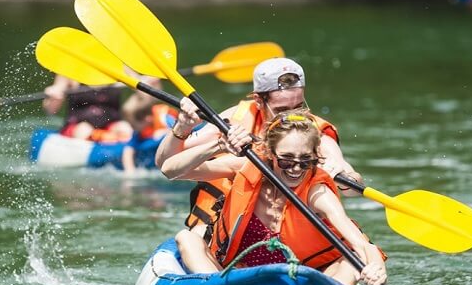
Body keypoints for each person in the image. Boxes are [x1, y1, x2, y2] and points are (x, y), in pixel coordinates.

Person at [161, 110, 386, 285]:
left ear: (315, 156)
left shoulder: (317, 192)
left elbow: (360, 243)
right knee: (187, 238)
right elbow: (170, 170)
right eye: (286, 160)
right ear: (270, 153)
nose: (296, 169)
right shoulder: (247, 166)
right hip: (237, 278)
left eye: (305, 160)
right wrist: (219, 144)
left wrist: (376, 267)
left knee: (351, 262)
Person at [155, 57, 363, 240]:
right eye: (281, 109)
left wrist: (346, 179)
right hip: (227, 222)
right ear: (258, 100)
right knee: (196, 236)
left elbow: (352, 187)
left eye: (298, 107)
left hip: (289, 229)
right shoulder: (232, 121)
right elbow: (166, 164)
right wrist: (182, 128)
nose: (290, 117)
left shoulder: (314, 133)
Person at [120, 102, 177, 174]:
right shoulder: (138, 132)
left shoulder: (164, 118)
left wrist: (165, 132)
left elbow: (179, 130)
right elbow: (128, 149)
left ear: (147, 119)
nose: (131, 128)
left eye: (133, 125)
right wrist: (130, 170)